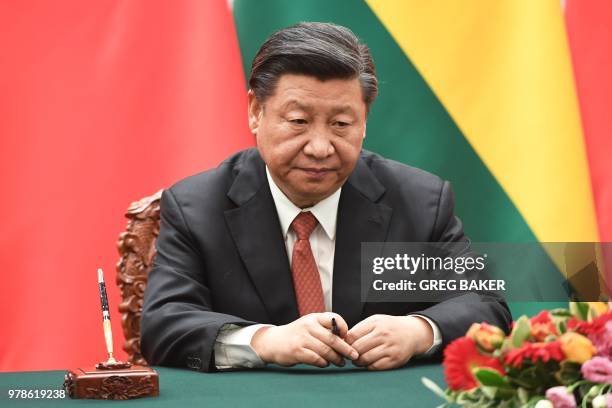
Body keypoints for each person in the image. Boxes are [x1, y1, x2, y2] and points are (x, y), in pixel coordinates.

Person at [140, 22, 511, 372]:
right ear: (256, 112)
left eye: (341, 125)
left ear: (364, 121)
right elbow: (163, 323)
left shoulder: (419, 201)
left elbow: (486, 304)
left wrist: (418, 331)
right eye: (299, 121)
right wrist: (264, 340)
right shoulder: (197, 206)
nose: (320, 148)